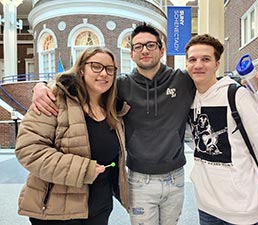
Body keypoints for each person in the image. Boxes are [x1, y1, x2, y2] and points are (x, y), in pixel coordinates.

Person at [30, 23, 196, 225]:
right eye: (138, 46)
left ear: (162, 51)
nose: (144, 50)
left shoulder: (184, 81)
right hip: (139, 177)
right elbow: (78, 85)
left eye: (151, 45)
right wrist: (41, 87)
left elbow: (212, 82)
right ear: (132, 54)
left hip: (175, 175)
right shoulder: (118, 85)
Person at [184, 34, 258, 225]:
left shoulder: (237, 95)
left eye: (206, 59)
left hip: (241, 209)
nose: (198, 65)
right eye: (192, 59)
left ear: (217, 63)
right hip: (205, 207)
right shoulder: (188, 97)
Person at [15, 46, 129, 225]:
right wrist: (85, 170)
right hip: (57, 210)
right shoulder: (54, 99)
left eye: (109, 69)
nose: (104, 73)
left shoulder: (114, 108)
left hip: (99, 206)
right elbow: (29, 150)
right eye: (96, 66)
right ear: (82, 69)